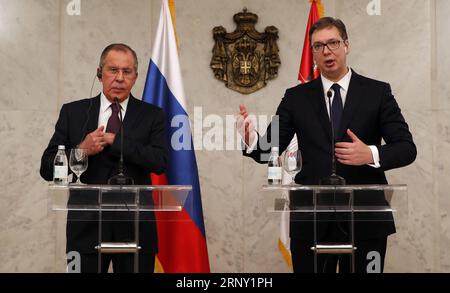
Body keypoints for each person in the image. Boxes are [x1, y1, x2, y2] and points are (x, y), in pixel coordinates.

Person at [236, 17, 416, 273]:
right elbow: (269, 148)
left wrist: (371, 153)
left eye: (332, 43)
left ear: (346, 45)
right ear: (313, 53)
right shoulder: (295, 97)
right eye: (318, 46)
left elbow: (407, 148)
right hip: (311, 219)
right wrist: (250, 137)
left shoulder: (377, 93)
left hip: (365, 217)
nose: (326, 51)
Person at [40, 43, 168, 273]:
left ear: (135, 77)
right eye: (112, 70)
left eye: (126, 72)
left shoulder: (153, 115)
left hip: (136, 229)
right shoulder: (74, 112)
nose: (119, 78)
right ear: (100, 73)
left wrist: (115, 141)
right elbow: (47, 167)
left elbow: (159, 161)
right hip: (86, 228)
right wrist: (81, 150)